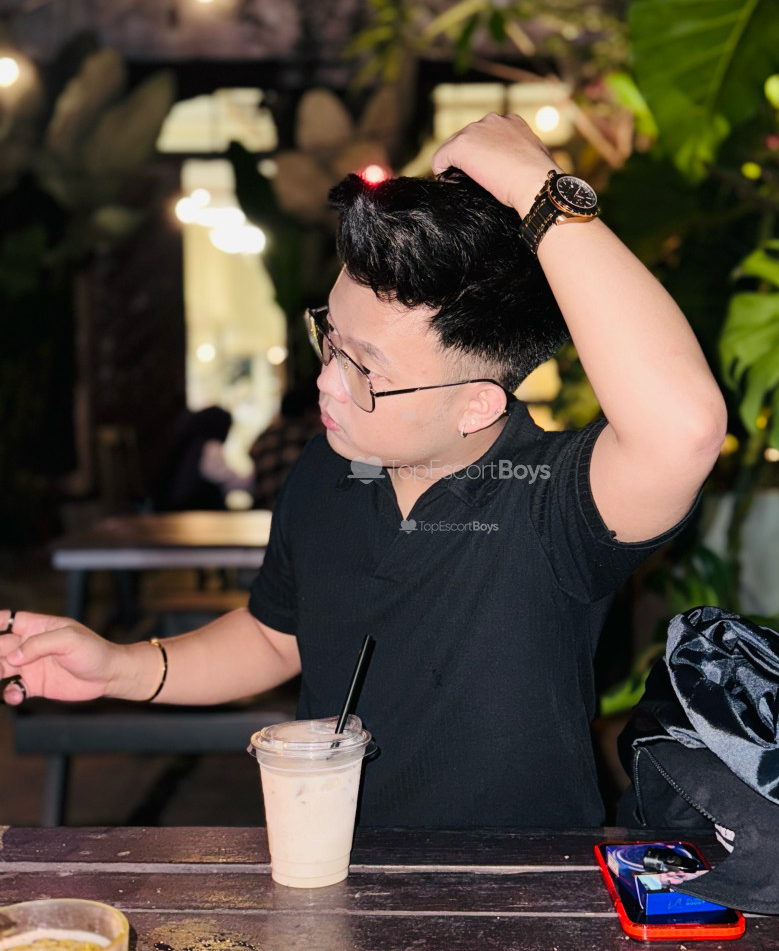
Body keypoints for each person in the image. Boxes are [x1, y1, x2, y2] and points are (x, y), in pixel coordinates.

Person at [0, 115, 726, 828]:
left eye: (365, 368)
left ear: (477, 404)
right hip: (334, 864)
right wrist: (117, 667)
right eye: (331, 337)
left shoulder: (555, 501)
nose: (327, 381)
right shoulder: (331, 464)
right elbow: (274, 636)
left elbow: (685, 430)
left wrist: (539, 189)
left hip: (523, 885)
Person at [151, 406, 251, 512]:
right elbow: (231, 481)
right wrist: (253, 474)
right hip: (190, 512)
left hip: (170, 510)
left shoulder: (189, 443)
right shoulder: (210, 447)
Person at [249, 382, 324, 510]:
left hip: (263, 512)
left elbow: (252, 452)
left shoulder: (266, 435)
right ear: (310, 412)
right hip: (299, 515)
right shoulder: (311, 437)